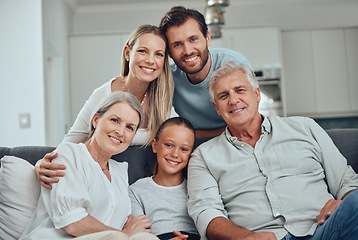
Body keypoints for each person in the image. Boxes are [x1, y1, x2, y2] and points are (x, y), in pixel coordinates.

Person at [187, 61, 358, 240]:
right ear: (217, 109)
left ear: (257, 94)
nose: (233, 100)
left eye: (240, 90)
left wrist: (342, 203)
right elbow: (205, 212)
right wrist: (245, 237)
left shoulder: (304, 127)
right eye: (223, 96)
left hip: (324, 231)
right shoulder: (203, 156)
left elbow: (346, 182)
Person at [35, 24, 174, 188]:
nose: (150, 60)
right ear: (128, 52)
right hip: (98, 180)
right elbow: (71, 141)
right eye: (142, 51)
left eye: (158, 54)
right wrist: (40, 164)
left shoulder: (162, 99)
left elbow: (179, 138)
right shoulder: (103, 94)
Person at [20, 91, 157, 240]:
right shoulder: (68, 155)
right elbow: (72, 222)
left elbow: (124, 223)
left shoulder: (120, 171)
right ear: (96, 119)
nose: (120, 131)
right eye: (115, 120)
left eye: (130, 127)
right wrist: (123, 235)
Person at [159, 6, 252, 140]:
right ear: (169, 52)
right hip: (196, 148)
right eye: (177, 44)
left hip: (238, 142)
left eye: (193, 39)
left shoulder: (234, 64)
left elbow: (246, 123)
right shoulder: (169, 78)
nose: (188, 51)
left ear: (207, 38)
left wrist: (196, 134)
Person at [129, 117, 200, 240]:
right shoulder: (135, 191)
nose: (175, 154)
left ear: (191, 154)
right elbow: (139, 232)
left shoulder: (197, 188)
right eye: (169, 145)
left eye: (183, 149)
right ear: (155, 145)